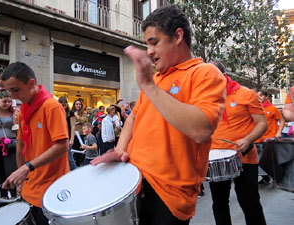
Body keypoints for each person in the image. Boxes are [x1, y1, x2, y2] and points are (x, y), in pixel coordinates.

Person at [91, 5, 226, 225]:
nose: (150, 51)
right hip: (135, 182)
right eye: (147, 45)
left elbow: (201, 129)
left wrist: (148, 86)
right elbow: (134, 117)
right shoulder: (158, 78)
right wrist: (120, 150)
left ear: (178, 36)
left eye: (154, 42)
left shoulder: (205, 73)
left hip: (169, 195)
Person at [1, 62, 69, 225]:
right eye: (9, 91)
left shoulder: (51, 106)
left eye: (15, 90)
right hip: (30, 188)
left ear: (31, 83)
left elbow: (62, 145)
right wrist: (21, 177)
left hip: (52, 190)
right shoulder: (24, 109)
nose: (13, 96)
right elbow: (21, 145)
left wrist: (27, 168)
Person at [209, 61, 267, 225]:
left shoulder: (246, 94)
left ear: (222, 76)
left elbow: (262, 123)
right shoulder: (205, 97)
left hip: (245, 157)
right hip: (216, 160)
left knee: (250, 203)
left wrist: (248, 139)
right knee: (219, 204)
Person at [0, 90, 18, 198]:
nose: (7, 104)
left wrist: (16, 119)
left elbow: (19, 129)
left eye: (9, 101)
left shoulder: (14, 112)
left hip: (11, 145)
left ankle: (13, 195)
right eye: (4, 101)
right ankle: (3, 196)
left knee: (11, 171)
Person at [58, 96, 76, 170]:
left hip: (67, 136)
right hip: (59, 136)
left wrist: (72, 139)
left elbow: (73, 126)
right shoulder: (57, 111)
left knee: (69, 156)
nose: (63, 106)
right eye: (62, 105)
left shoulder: (70, 112)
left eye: (64, 105)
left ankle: (73, 171)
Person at [70, 99, 87, 166]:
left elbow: (83, 121)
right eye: (76, 104)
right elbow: (71, 123)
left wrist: (76, 115)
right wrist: (77, 122)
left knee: (80, 149)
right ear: (74, 105)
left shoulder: (84, 112)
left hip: (80, 133)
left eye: (79, 104)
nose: (78, 105)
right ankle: (74, 163)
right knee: (73, 149)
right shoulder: (71, 112)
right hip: (73, 134)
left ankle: (79, 163)